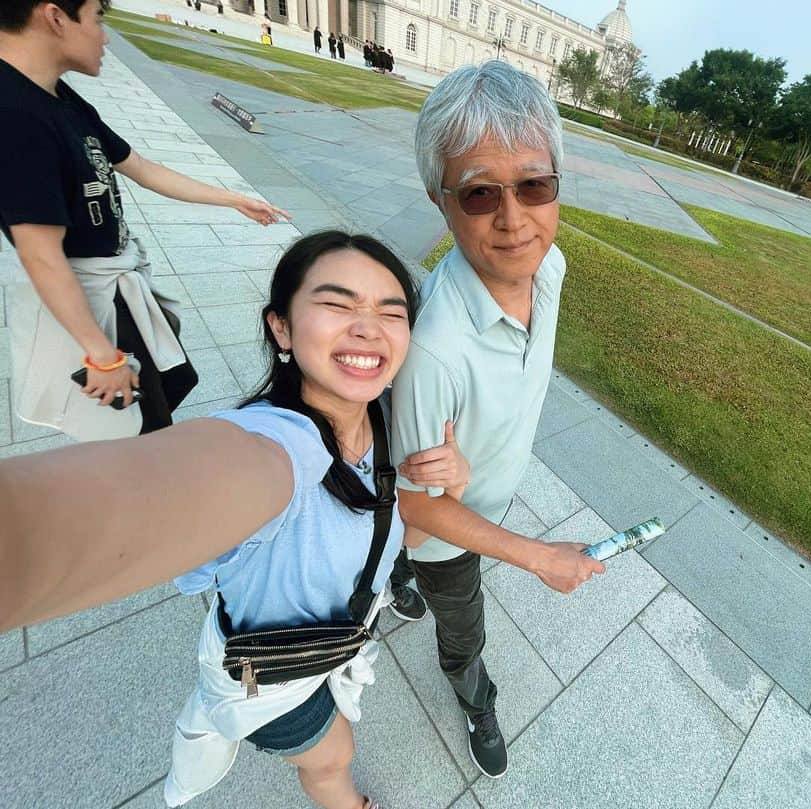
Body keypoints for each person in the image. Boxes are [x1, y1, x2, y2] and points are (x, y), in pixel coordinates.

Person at [0, 230, 473, 809]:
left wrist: (444, 484)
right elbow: (125, 504)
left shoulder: (387, 425)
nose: (368, 327)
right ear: (280, 327)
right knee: (333, 758)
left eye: (390, 311)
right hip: (268, 679)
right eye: (336, 303)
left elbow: (404, 539)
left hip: (334, 646)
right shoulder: (272, 449)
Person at [390, 60, 605, 780]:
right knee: (462, 622)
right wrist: (540, 555)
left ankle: (391, 569)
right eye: (481, 193)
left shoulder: (551, 268)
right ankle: (473, 694)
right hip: (445, 530)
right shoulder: (434, 349)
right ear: (441, 200)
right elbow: (418, 501)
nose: (514, 220)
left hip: (475, 489)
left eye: (535, 185)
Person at [0, 0, 288, 441]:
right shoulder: (14, 113)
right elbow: (41, 255)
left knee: (164, 392)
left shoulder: (57, 95)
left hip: (114, 292)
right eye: (98, 18)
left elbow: (141, 167)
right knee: (136, 428)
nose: (105, 36)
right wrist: (101, 354)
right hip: (88, 305)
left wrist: (234, 200)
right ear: (55, 16)